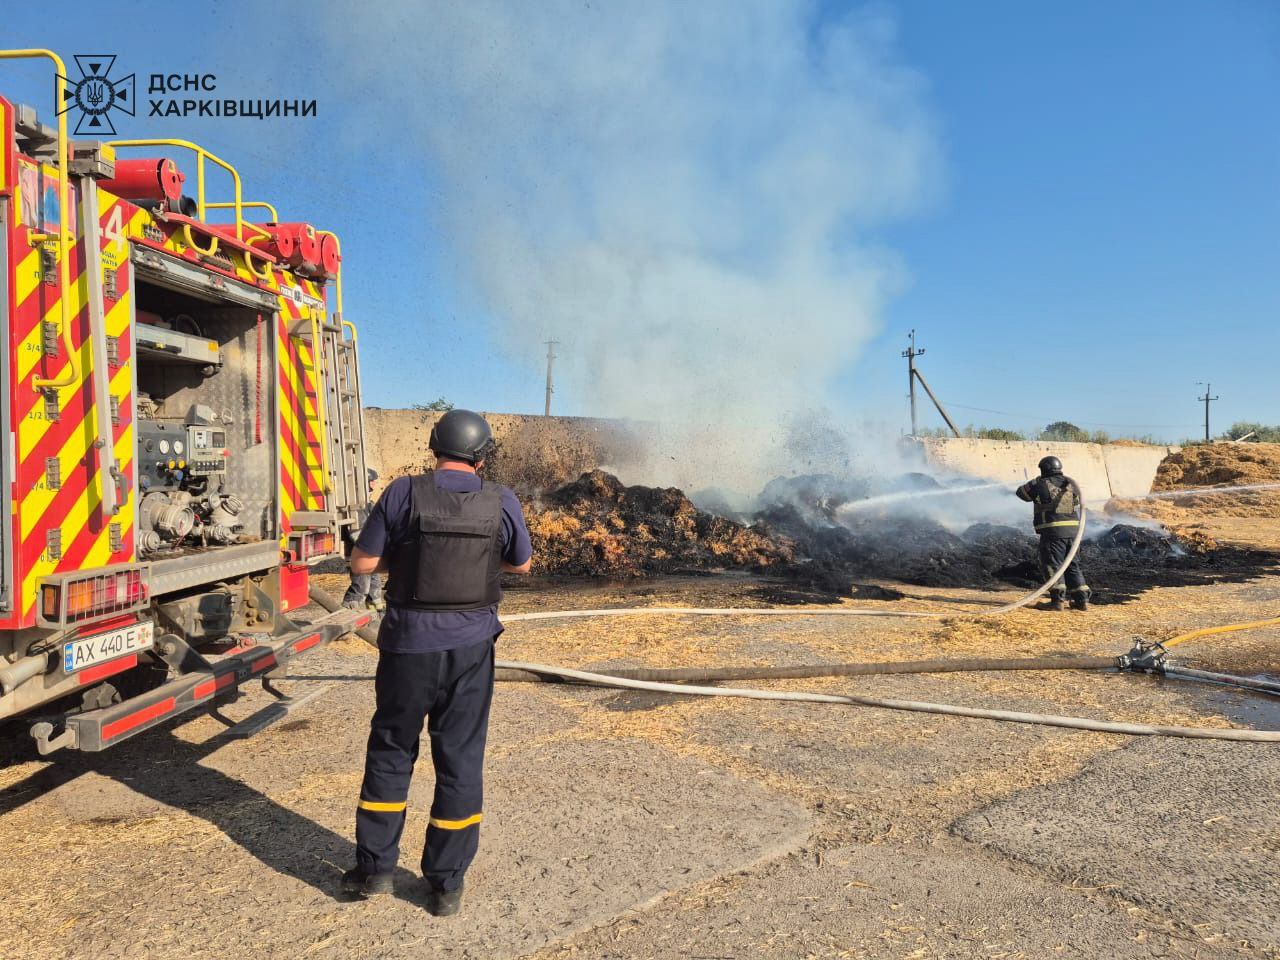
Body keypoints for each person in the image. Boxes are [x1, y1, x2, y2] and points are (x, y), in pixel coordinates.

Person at [340, 410, 532, 916]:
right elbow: (522, 562)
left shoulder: (403, 493)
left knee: (390, 752)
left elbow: (361, 563)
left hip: (406, 649)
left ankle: (375, 870)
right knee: (461, 759)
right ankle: (446, 885)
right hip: (471, 651)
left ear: (433, 447)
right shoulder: (502, 499)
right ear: (483, 454)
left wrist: (402, 560)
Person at [1015, 456, 1090, 611]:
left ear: (1043, 469)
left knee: (1052, 564)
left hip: (1053, 532)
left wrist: (1034, 482)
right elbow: (1075, 502)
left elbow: (1021, 494)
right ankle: (1081, 600)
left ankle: (1057, 602)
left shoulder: (1039, 483)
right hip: (1073, 532)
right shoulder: (1070, 484)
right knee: (1071, 564)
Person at [343, 468, 384, 612]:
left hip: (370, 554)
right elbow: (356, 535)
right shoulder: (354, 507)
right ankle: (347, 612)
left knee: (375, 587)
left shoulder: (368, 504)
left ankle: (376, 616)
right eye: (372, 481)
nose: (374, 484)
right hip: (359, 554)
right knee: (360, 587)